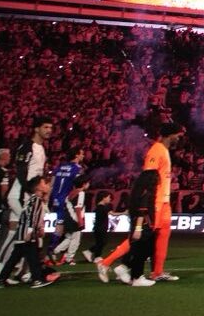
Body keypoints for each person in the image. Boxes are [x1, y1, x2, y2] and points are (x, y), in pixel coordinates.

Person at [95, 121, 183, 285]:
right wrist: (146, 203)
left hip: (164, 202)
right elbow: (147, 179)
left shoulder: (164, 150)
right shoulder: (156, 151)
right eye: (178, 135)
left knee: (163, 236)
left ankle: (157, 272)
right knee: (142, 235)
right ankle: (106, 262)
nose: (179, 138)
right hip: (155, 201)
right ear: (170, 134)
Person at [0, 175, 61, 289]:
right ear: (38, 187)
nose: (46, 185)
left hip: (22, 234)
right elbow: (32, 217)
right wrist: (30, 231)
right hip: (27, 234)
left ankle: (0, 280)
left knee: (15, 258)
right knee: (32, 258)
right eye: (44, 183)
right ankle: (37, 280)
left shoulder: (33, 200)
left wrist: (39, 229)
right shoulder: (36, 200)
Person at [48, 146, 87, 264]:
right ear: (76, 155)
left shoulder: (59, 166)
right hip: (66, 201)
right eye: (81, 153)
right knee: (71, 229)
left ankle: (54, 250)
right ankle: (53, 251)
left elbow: (52, 183)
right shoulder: (77, 169)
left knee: (60, 225)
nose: (83, 156)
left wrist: (48, 198)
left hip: (55, 198)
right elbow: (78, 185)